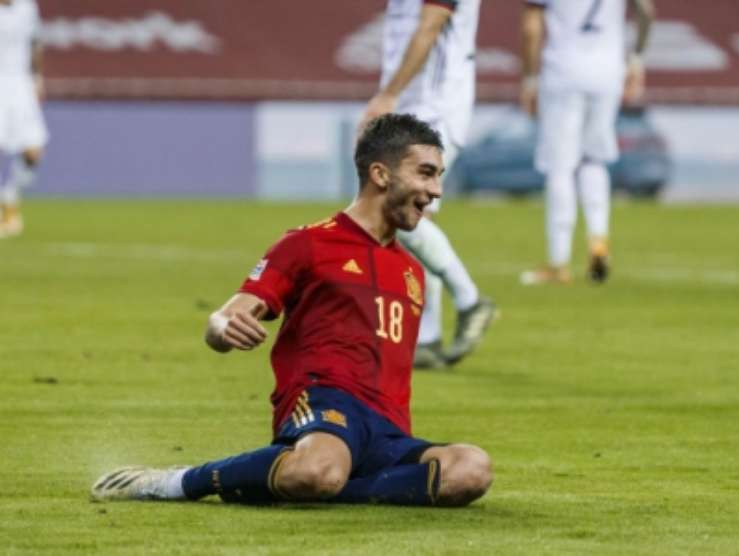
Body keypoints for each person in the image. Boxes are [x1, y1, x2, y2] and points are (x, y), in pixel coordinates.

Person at [91, 114, 493, 508]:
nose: (437, 189)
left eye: (438, 175)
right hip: (325, 406)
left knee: (471, 469)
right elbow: (226, 315)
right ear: (381, 174)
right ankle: (180, 481)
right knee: (318, 470)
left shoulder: (412, 270)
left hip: (388, 431)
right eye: (425, 173)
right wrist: (223, 329)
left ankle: (334, 486)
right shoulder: (308, 244)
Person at [361, 0, 496, 369]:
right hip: (417, 106)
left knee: (395, 208)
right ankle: (428, 339)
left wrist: (389, 94)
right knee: (415, 218)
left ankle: (470, 301)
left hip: (435, 108)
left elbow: (430, 26)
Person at [518, 0, 655, 285]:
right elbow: (646, 11)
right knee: (594, 158)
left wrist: (529, 79)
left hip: (563, 69)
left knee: (560, 166)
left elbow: (531, 27)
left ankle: (558, 262)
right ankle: (598, 239)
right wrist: (637, 59)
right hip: (608, 71)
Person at [0, 0, 48, 238]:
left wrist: (37, 77)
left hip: (20, 84)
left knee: (34, 150)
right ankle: (8, 215)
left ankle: (9, 196)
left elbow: (35, 43)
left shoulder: (27, 6)